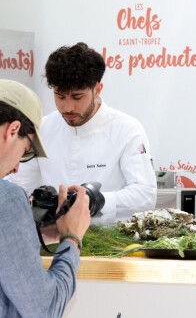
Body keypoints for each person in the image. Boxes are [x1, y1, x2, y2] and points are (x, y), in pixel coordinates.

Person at [9, 43, 157, 224]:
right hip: (53, 241)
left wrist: (94, 200)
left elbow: (145, 195)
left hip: (110, 244)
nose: (68, 107)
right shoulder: (42, 128)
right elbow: (19, 185)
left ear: (98, 89)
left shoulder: (127, 130)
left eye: (77, 97)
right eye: (60, 96)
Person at [0, 79, 91, 317]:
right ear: (12, 130)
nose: (17, 169)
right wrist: (72, 239)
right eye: (26, 150)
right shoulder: (7, 198)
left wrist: (32, 235)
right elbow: (44, 308)